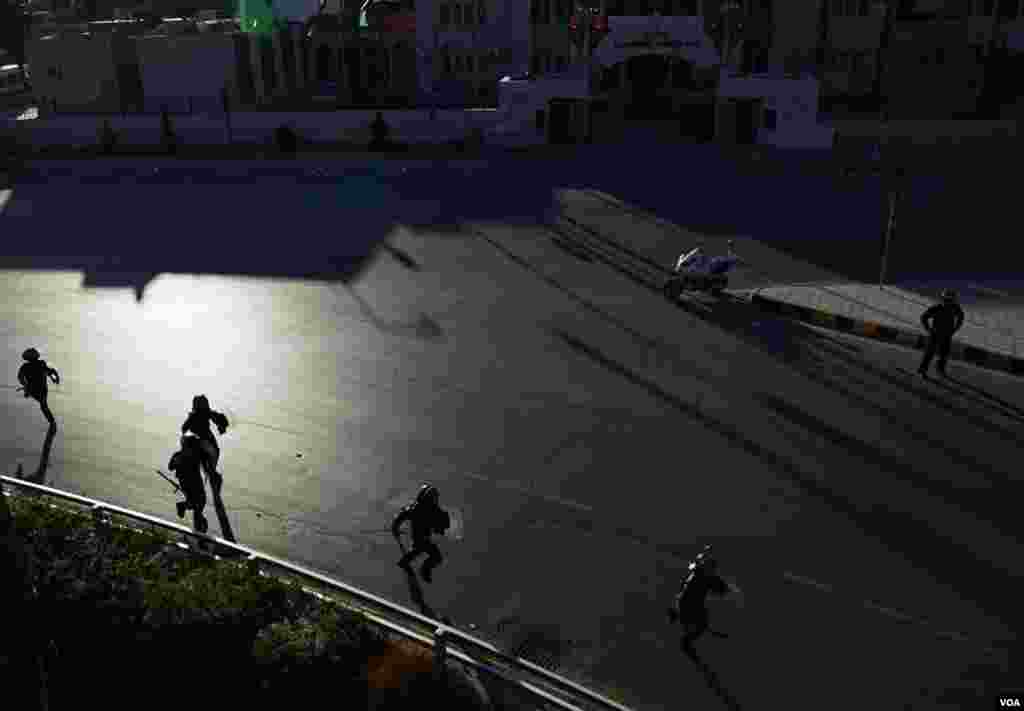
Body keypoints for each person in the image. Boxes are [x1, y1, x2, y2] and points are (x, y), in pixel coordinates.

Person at [667, 545, 730, 654]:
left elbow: (697, 562)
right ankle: (687, 639)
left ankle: (679, 617)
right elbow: (720, 589)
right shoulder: (707, 576)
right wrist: (726, 588)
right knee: (701, 623)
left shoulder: (697, 569)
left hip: (682, 601)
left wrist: (704, 552)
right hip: (689, 604)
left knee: (700, 617)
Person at [391, 483, 450, 583]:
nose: (435, 500)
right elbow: (402, 515)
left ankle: (405, 563)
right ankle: (423, 569)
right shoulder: (420, 509)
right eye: (433, 498)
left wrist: (395, 527)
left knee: (419, 550)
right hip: (420, 537)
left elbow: (402, 515)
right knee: (433, 555)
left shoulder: (421, 508)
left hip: (422, 537)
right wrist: (395, 527)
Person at [181, 395, 229, 490]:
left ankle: (200, 478)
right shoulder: (203, 413)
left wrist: (222, 426)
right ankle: (210, 477)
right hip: (204, 442)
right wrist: (222, 427)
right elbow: (220, 418)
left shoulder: (198, 414)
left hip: (202, 442)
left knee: (203, 464)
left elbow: (184, 428)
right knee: (208, 464)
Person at [918, 289, 965, 378]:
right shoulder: (936, 308)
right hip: (935, 333)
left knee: (944, 354)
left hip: (947, 334)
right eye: (946, 300)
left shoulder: (956, 308)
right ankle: (923, 369)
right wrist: (928, 329)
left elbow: (961, 318)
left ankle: (940, 369)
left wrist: (954, 329)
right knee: (930, 352)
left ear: (954, 300)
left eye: (950, 300)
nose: (948, 302)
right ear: (942, 299)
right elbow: (923, 317)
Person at [168, 434, 209, 533]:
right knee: (199, 503)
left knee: (197, 504)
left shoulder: (180, 455)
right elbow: (171, 467)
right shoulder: (193, 455)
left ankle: (198, 527)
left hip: (188, 484)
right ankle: (198, 528)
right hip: (193, 484)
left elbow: (170, 467)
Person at [17, 348, 59, 429]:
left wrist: (25, 385)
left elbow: (20, 377)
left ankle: (52, 422)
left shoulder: (26, 366)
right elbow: (51, 371)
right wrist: (55, 378)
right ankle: (52, 422)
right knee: (43, 405)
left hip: (36, 389)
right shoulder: (40, 364)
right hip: (39, 389)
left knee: (43, 405)